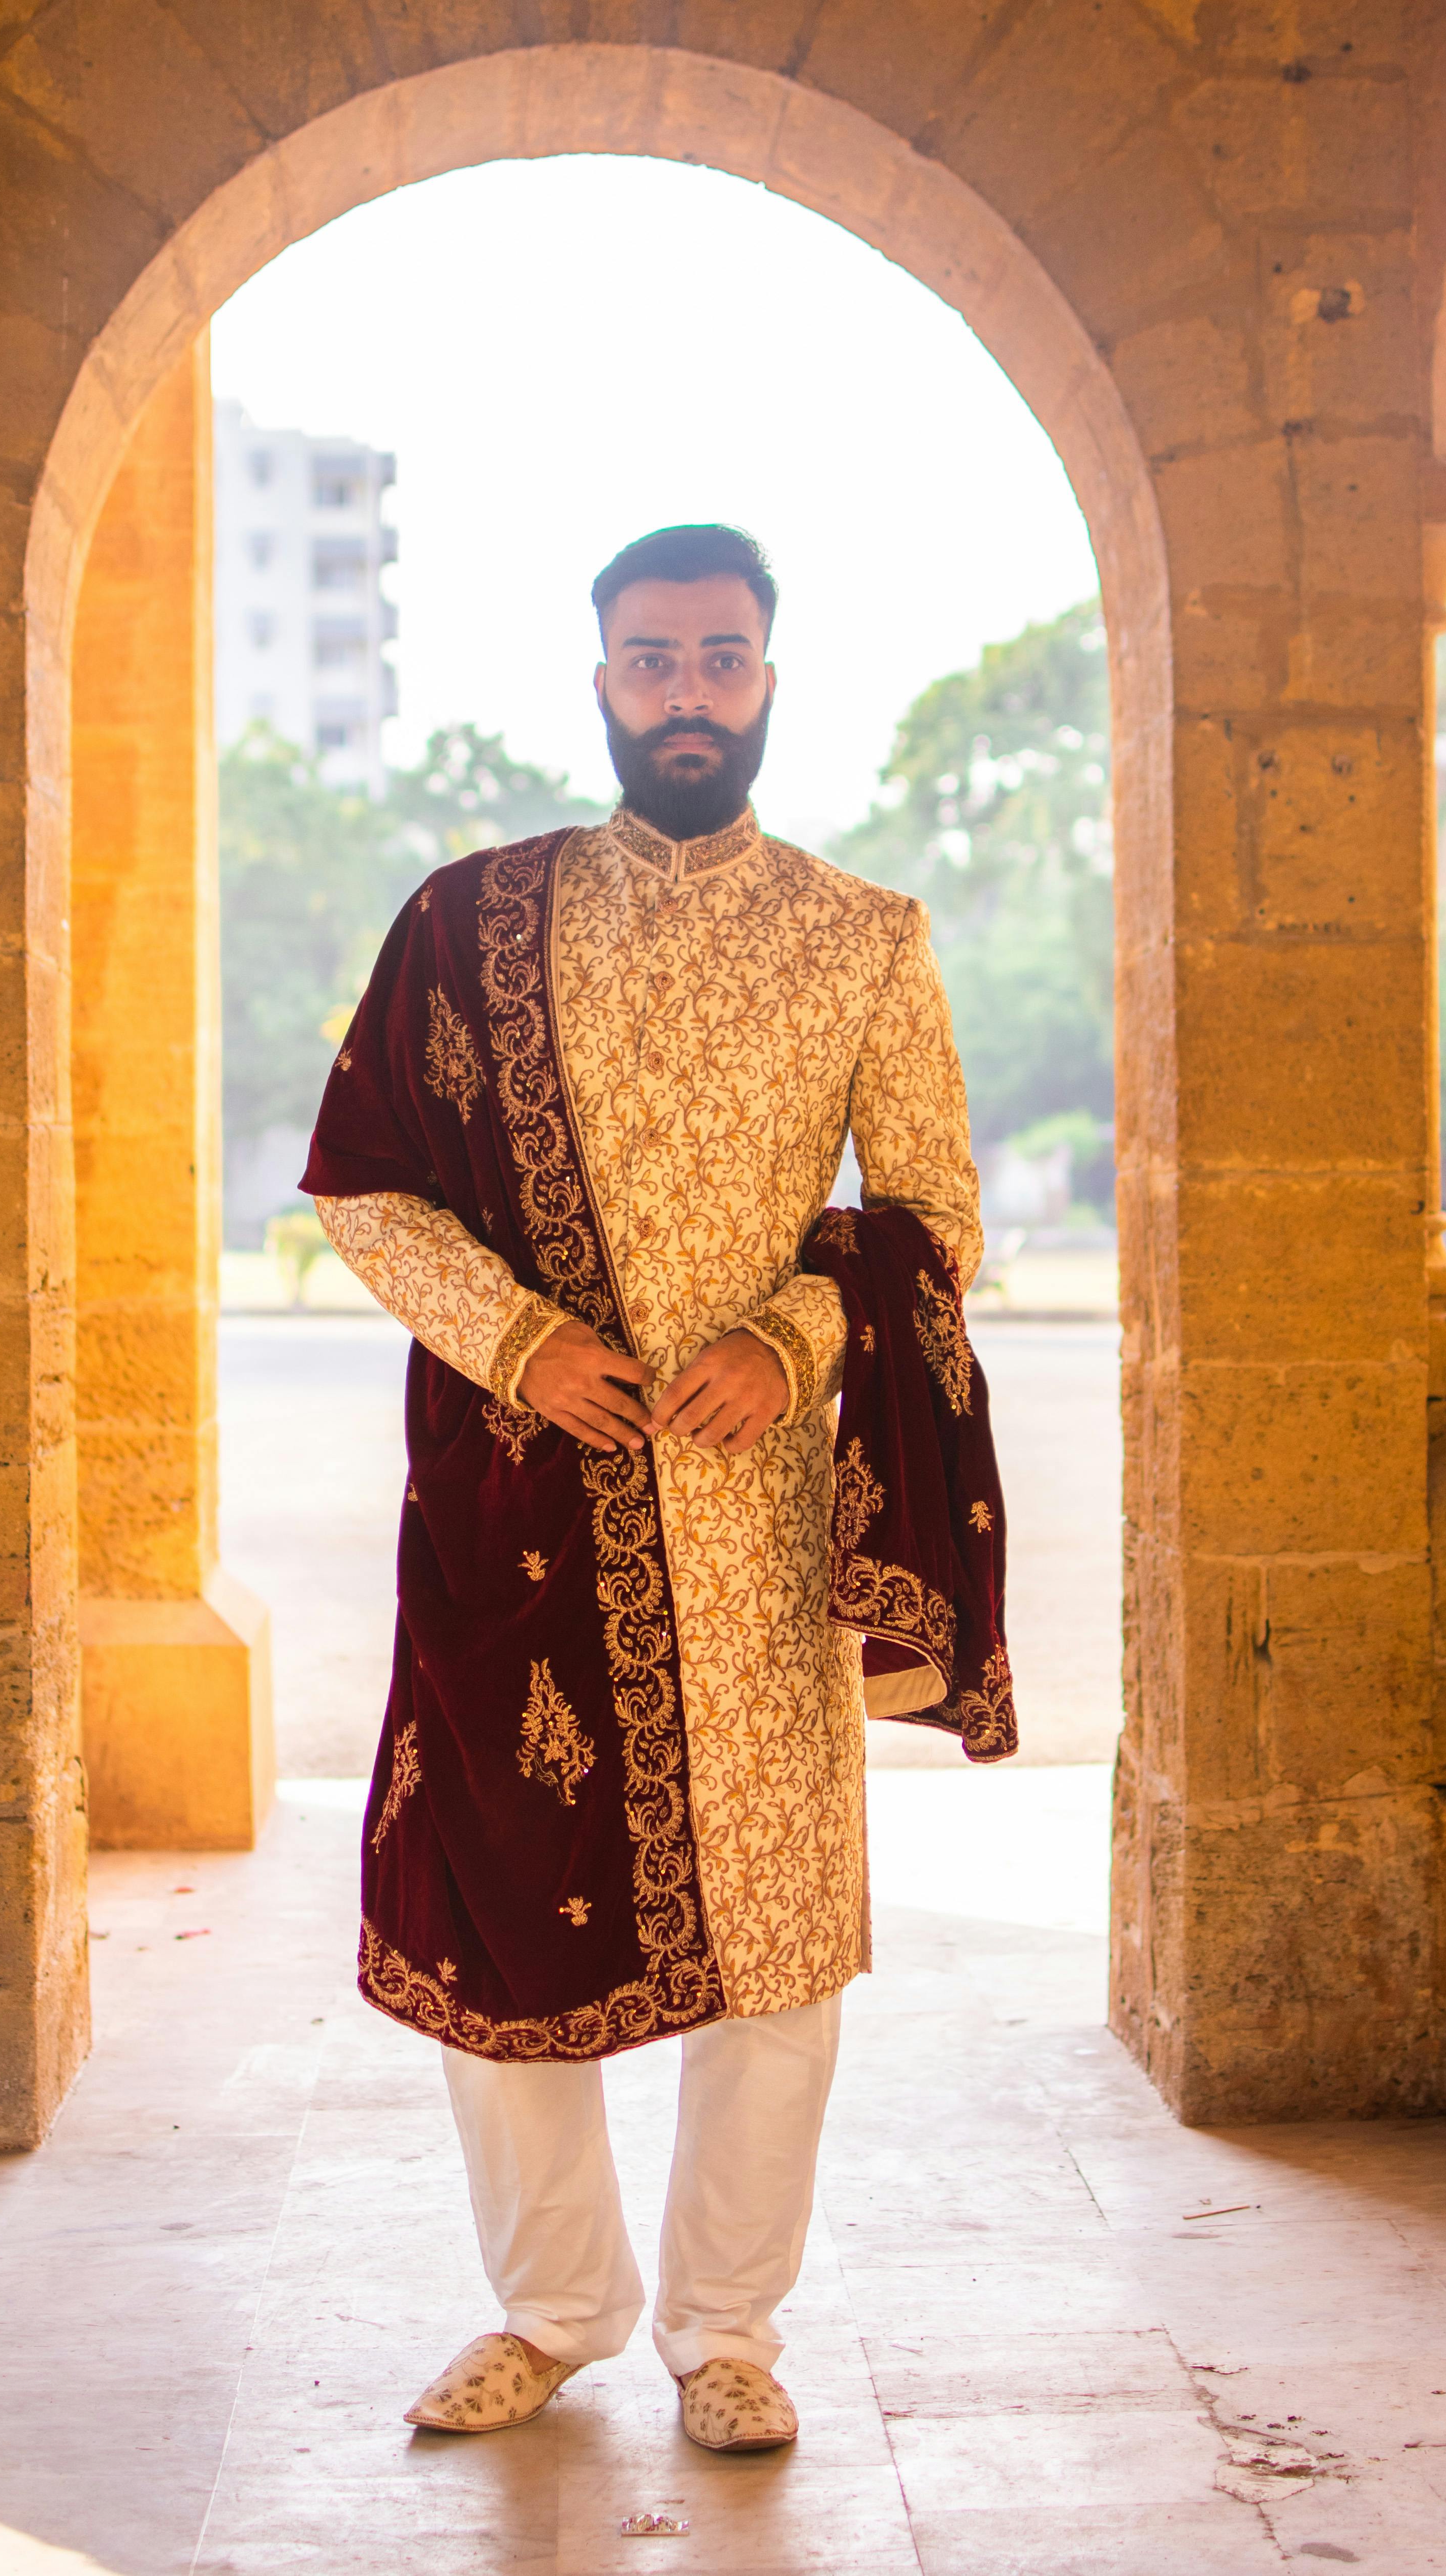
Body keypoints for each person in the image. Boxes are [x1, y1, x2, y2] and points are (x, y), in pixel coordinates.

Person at [302, 522, 1014, 2455]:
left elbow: (933, 1218)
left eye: (717, 657)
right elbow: (361, 1183)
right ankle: (549, 2308)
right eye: (648, 659)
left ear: (771, 675)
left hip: (768, 1520)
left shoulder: (864, 935)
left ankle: (726, 2331)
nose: (683, 690)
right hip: (522, 1508)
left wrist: (792, 1332)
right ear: (598, 678)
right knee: (495, 1917)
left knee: (776, 1942)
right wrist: (520, 1343)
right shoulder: (467, 918)